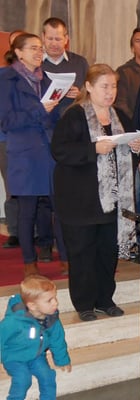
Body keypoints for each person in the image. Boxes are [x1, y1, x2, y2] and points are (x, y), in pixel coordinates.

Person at [51, 63, 140, 322]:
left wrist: (137, 146)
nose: (110, 92)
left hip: (112, 202)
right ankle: (84, 303)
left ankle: (105, 299)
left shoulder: (120, 116)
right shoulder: (74, 115)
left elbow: (132, 153)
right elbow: (59, 151)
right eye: (104, 86)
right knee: (82, 253)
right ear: (89, 87)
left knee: (106, 253)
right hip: (80, 201)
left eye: (113, 86)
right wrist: (93, 149)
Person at [0, 33, 67, 276]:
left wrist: (61, 104)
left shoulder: (46, 79)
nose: (39, 52)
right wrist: (40, 110)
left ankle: (66, 258)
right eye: (33, 48)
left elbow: (54, 117)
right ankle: (30, 262)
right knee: (27, 211)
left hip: (49, 151)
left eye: (40, 48)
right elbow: (6, 121)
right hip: (25, 153)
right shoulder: (6, 78)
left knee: (60, 208)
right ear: (18, 52)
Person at [0, 275, 71, 400]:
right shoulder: (14, 321)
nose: (56, 302)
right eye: (49, 300)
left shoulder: (51, 319)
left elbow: (57, 339)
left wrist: (62, 360)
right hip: (14, 358)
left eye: (55, 297)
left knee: (48, 376)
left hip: (36, 356)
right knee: (23, 379)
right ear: (32, 306)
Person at [1, 29, 24, 249]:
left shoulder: (39, 75)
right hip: (6, 138)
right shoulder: (3, 75)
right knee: (13, 187)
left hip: (32, 139)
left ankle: (36, 231)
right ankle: (15, 231)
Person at [41, 17, 89, 115]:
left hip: (72, 118)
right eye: (50, 38)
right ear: (43, 37)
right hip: (42, 119)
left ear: (66, 39)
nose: (54, 43)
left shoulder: (80, 63)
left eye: (58, 39)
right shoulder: (34, 63)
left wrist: (80, 95)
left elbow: (92, 95)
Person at [115, 27, 140, 121]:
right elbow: (121, 104)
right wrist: (137, 121)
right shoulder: (123, 72)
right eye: (138, 41)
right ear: (132, 48)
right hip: (133, 124)